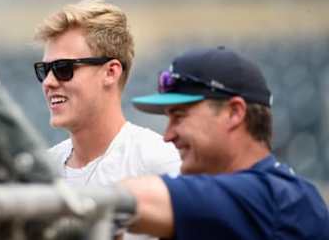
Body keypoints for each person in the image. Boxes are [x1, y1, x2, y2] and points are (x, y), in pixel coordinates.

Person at [119, 46, 329, 239]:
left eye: (179, 116)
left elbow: (134, 200)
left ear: (234, 113)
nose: (168, 135)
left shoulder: (281, 198)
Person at [33, 0, 181, 240]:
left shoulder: (159, 161)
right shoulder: (43, 169)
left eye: (63, 68)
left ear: (111, 72)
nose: (49, 81)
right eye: (44, 70)